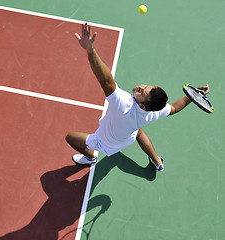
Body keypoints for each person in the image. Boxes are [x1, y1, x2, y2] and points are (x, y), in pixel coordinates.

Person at [66, 23, 210, 171]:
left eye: (142, 93)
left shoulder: (124, 104)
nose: (140, 87)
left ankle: (91, 157)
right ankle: (157, 161)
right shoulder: (154, 111)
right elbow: (173, 108)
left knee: (70, 137)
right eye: (146, 87)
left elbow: (107, 81)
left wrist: (91, 51)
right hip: (128, 137)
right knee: (139, 132)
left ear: (142, 106)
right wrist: (192, 97)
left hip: (105, 142)